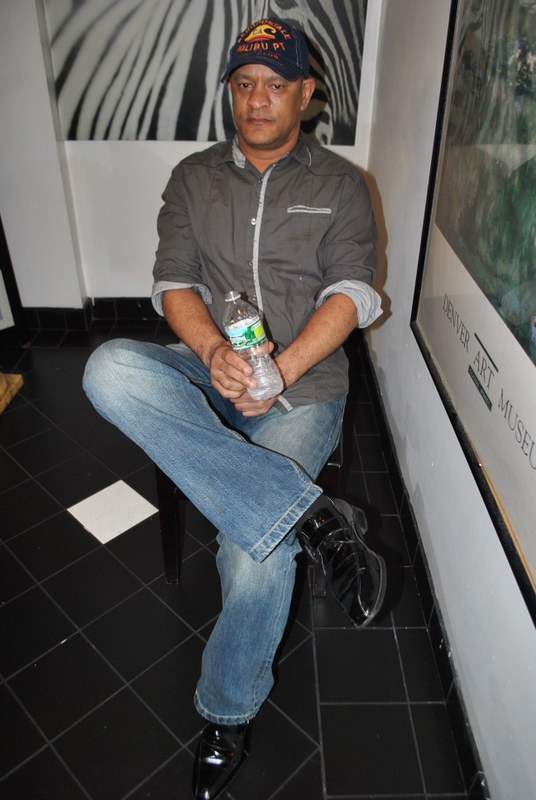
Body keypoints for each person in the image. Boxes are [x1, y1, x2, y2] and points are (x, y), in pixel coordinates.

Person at [83, 17, 386, 800]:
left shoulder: (342, 185)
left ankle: (226, 712)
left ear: (306, 93)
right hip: (209, 369)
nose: (257, 100)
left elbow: (353, 294)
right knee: (108, 369)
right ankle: (314, 515)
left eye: (275, 85)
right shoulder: (193, 177)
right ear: (230, 91)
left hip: (302, 388)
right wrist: (215, 351)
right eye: (244, 84)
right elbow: (172, 282)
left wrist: (279, 369)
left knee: (255, 553)